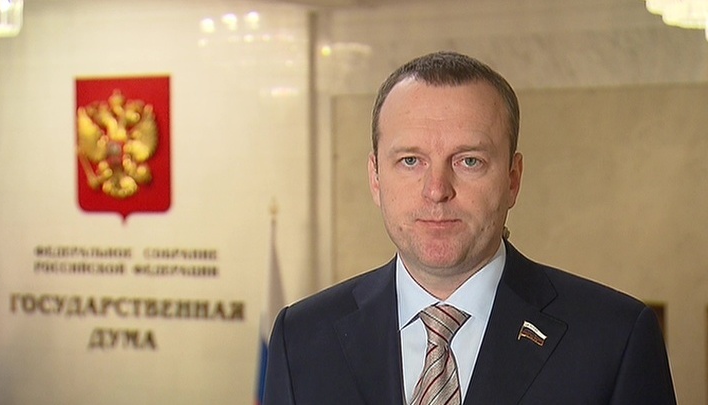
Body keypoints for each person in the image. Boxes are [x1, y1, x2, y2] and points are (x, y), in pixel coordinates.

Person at [263, 51, 676, 404]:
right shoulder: (300, 339)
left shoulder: (614, 340)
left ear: (513, 179)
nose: (437, 190)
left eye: (469, 161)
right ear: (375, 177)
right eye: (411, 161)